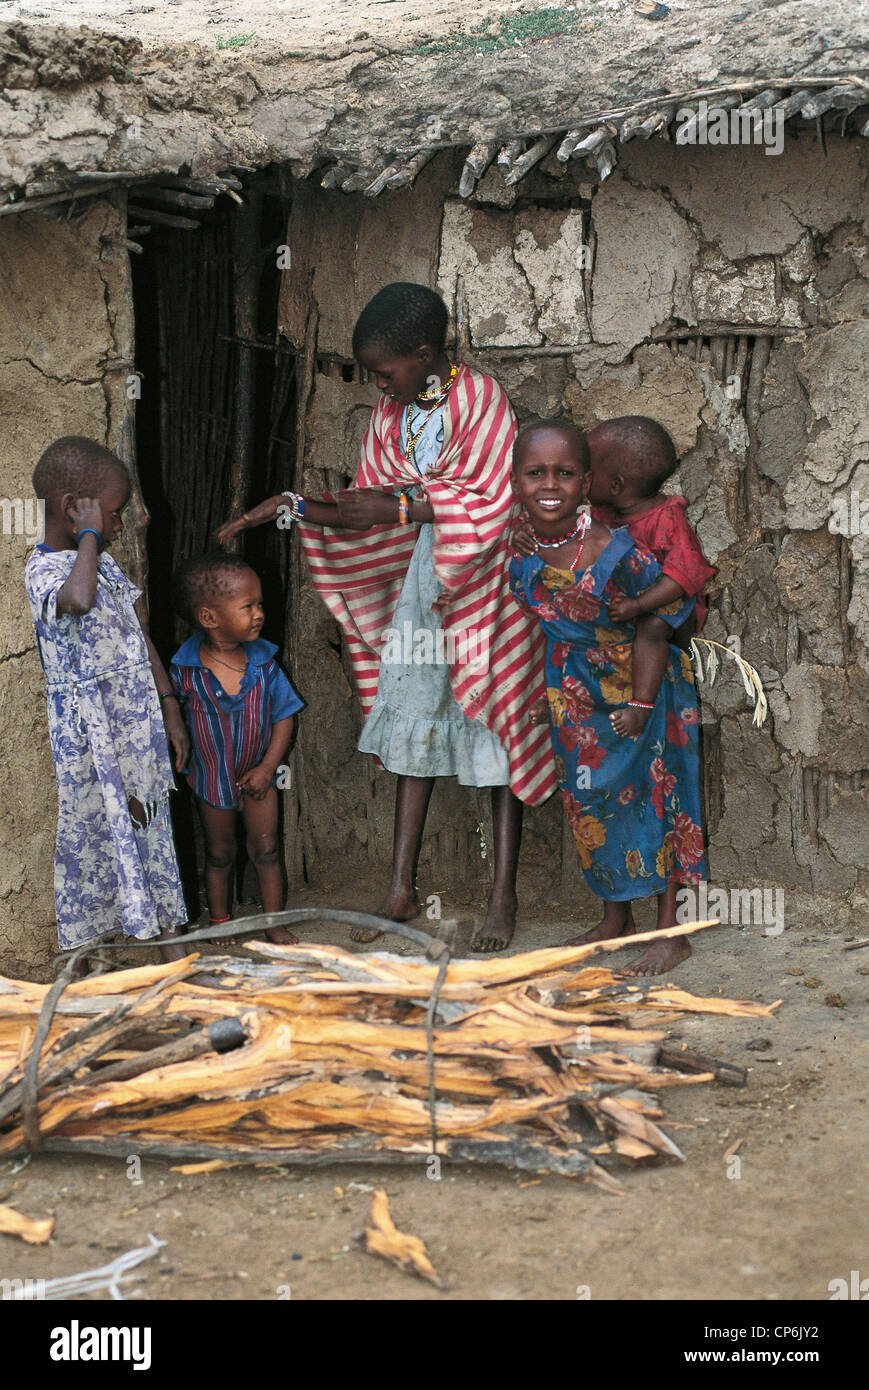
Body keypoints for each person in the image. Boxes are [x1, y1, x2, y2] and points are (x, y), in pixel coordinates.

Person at [216, 282, 555, 952]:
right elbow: (364, 502)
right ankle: (400, 886)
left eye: (384, 370)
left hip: (485, 594)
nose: (379, 382)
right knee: (412, 728)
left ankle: (501, 895)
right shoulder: (391, 412)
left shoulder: (478, 400)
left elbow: (493, 499)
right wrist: (289, 504)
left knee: (493, 726)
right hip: (422, 596)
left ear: (424, 353)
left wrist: (403, 509)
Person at [508, 419, 706, 976]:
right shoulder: (522, 549)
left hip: (642, 688)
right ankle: (616, 917)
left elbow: (662, 621)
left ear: (588, 481)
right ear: (516, 482)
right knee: (591, 802)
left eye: (565, 473)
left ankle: (672, 930)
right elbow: (552, 628)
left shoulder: (618, 553)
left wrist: (641, 704)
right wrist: (542, 693)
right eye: (536, 473)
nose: (550, 485)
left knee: (659, 797)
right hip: (575, 698)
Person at [24, 437, 191, 968]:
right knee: (94, 832)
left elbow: (140, 637)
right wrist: (91, 536)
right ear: (75, 507)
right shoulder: (44, 570)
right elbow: (76, 601)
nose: (121, 523)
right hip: (90, 731)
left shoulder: (107, 566)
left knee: (152, 823)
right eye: (113, 512)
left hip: (136, 721)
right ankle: (87, 957)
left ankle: (172, 946)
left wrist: (169, 705)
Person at [514, 414, 716, 739]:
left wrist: (638, 605)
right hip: (626, 608)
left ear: (616, 484)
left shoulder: (666, 518)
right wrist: (527, 535)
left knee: (651, 629)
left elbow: (682, 577)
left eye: (587, 469)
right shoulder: (605, 513)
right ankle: (565, 700)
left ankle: (640, 706)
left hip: (668, 610)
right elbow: (564, 532)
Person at [170, 555, 303, 945]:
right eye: (249, 606)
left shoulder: (265, 665)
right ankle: (221, 919)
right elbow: (170, 718)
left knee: (266, 848)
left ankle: (274, 922)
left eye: (259, 604)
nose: (259, 613)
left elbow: (285, 717)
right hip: (212, 780)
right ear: (210, 618)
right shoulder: (184, 670)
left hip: (260, 776)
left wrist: (267, 768)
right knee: (219, 852)